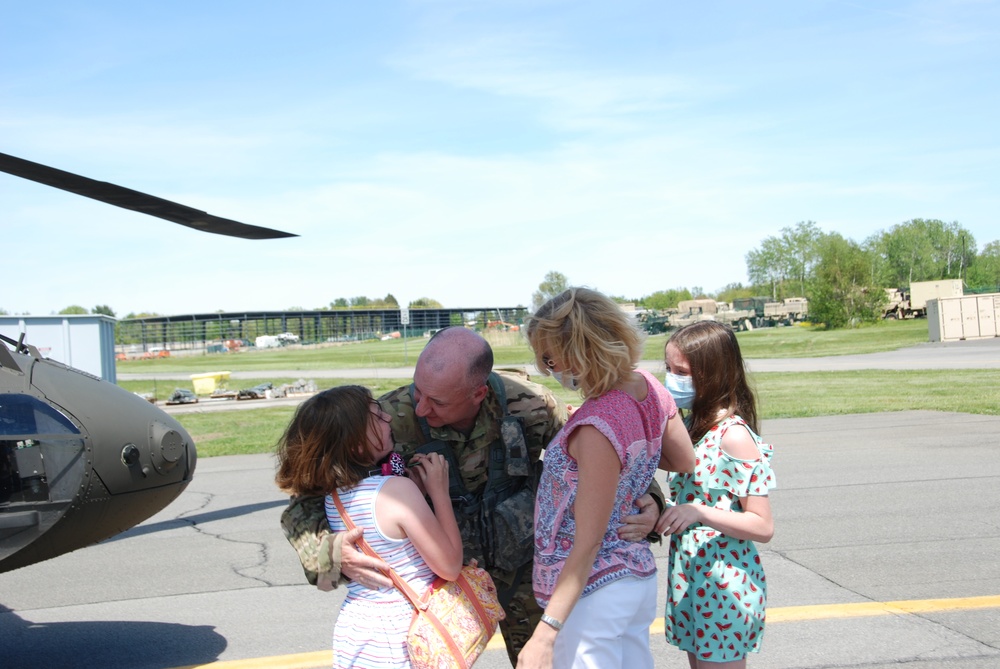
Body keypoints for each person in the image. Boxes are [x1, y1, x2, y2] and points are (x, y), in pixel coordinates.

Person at [280, 326, 668, 666]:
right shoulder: (385, 419)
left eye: (438, 402)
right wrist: (329, 552)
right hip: (437, 588)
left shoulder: (527, 404)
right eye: (418, 391)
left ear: (478, 392)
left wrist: (650, 498)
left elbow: (607, 447)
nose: (420, 407)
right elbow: (306, 495)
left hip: (524, 573)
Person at [517, 287, 695, 669]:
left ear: (580, 349)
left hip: (593, 591)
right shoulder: (649, 387)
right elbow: (683, 459)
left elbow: (588, 540)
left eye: (550, 357)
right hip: (633, 579)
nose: (549, 369)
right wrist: (630, 467)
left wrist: (545, 634)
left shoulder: (597, 425)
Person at [274, 385, 463, 668]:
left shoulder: (333, 496)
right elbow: (449, 566)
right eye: (376, 416)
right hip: (407, 635)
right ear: (355, 445)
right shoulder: (396, 490)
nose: (388, 418)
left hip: (359, 631)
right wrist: (439, 492)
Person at [656, 321, 777, 668]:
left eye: (682, 372)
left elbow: (762, 525)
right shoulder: (695, 428)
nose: (672, 379)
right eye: (668, 369)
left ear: (713, 374)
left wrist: (699, 512)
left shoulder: (733, 436)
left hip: (723, 585)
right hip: (694, 579)